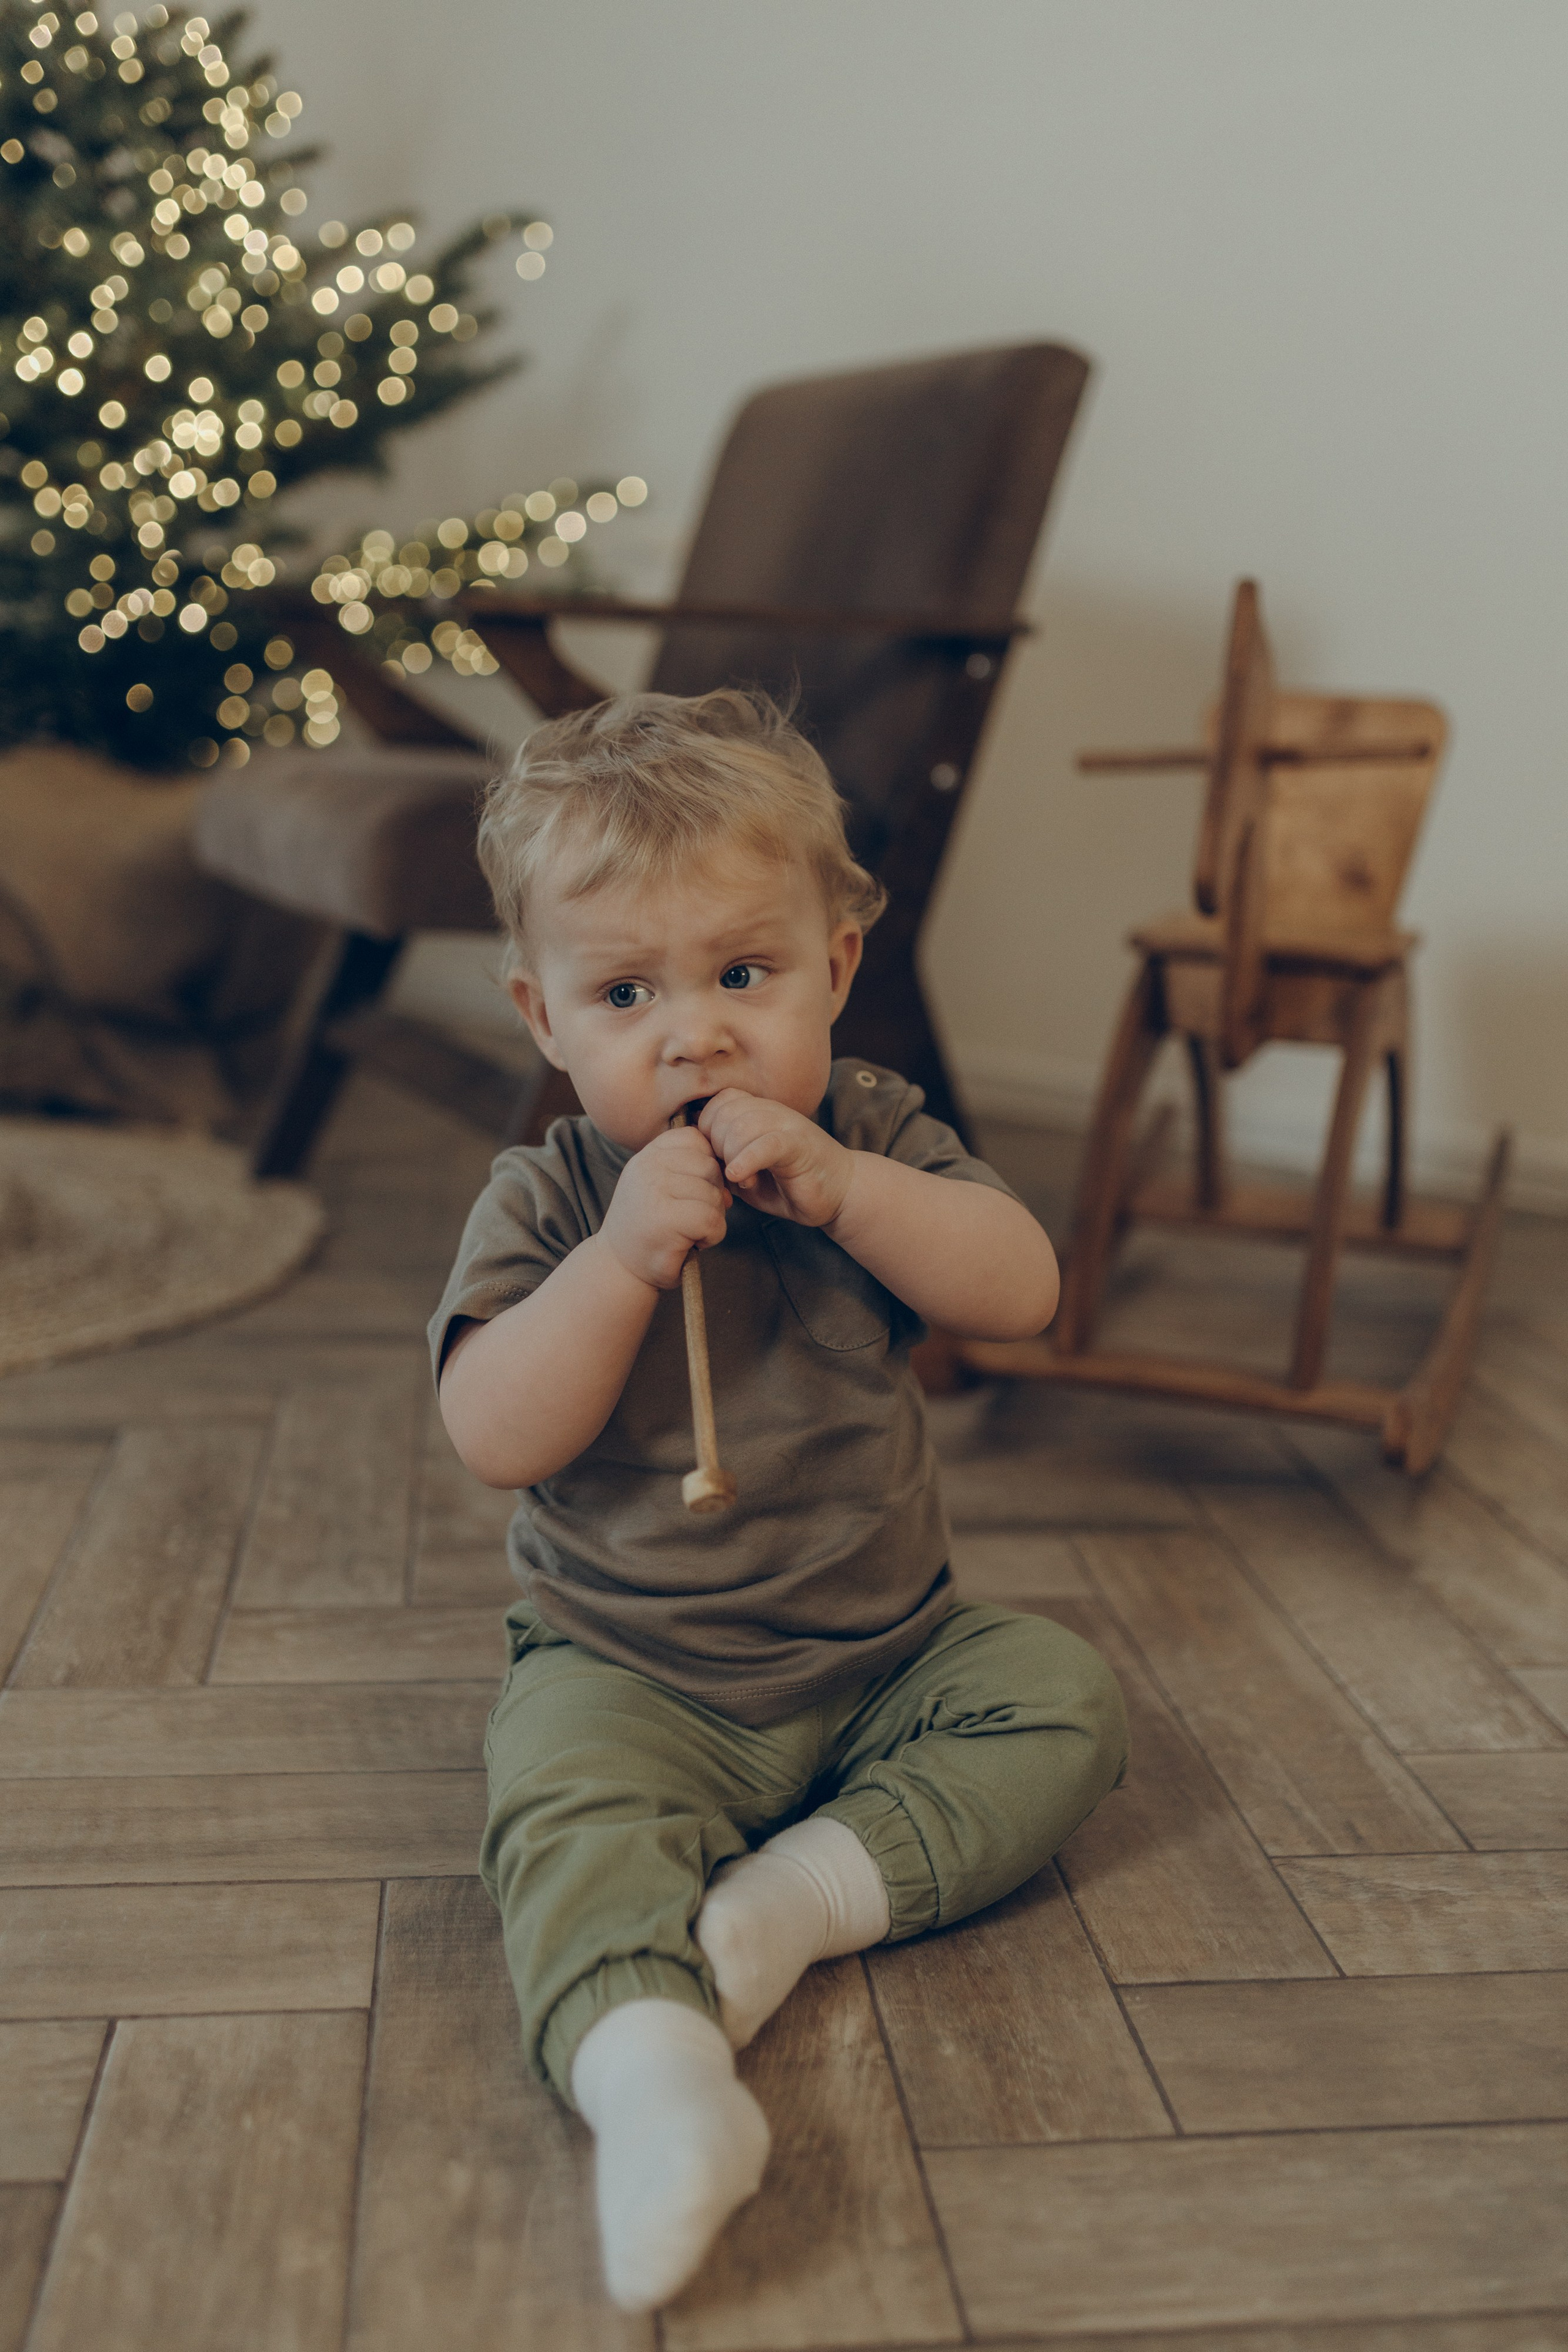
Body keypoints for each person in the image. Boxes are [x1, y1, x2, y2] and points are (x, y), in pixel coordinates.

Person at [432, 688, 1128, 2312]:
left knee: (1064, 1701)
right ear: (546, 1019)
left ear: (840, 965)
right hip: (633, 1672)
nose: (698, 1035)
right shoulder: (548, 1194)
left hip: (892, 1660)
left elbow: (1020, 1289)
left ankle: (791, 1906)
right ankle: (656, 2079)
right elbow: (494, 1431)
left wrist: (852, 1191)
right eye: (627, 993)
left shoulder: (870, 1133)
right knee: (561, 1815)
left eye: (745, 974)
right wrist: (616, 1267)